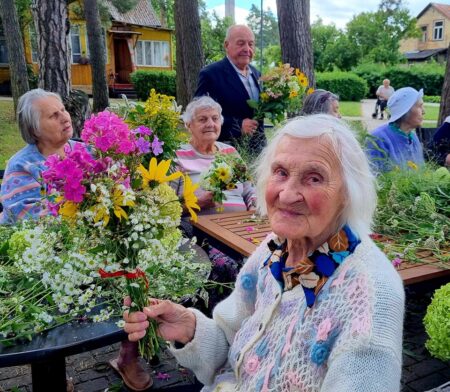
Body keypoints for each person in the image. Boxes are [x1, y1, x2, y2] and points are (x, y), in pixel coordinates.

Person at [123, 114, 405, 392]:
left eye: (314, 178)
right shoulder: (276, 246)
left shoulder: (371, 298)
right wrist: (189, 327)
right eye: (280, 172)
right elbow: (230, 341)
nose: (287, 194)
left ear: (348, 193)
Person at [111, 96, 256, 390]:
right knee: (229, 270)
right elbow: (166, 205)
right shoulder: (177, 157)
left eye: (215, 118)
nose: (210, 124)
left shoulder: (229, 152)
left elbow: (249, 189)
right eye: (202, 119)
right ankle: (217, 346)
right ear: (188, 124)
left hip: (241, 227)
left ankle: (252, 338)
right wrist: (194, 202)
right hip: (201, 232)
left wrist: (253, 205)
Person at [0, 89, 76, 224]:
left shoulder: (88, 150)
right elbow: (29, 219)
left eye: (63, 110)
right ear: (34, 130)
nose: (65, 118)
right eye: (53, 115)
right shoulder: (21, 166)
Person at [195, 25, 265, 155]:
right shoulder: (211, 74)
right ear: (226, 45)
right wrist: (238, 126)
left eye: (251, 44)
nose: (247, 49)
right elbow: (199, 114)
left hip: (259, 150)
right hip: (226, 150)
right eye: (241, 43)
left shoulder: (257, 74)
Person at [366, 87, 425, 173]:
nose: (423, 111)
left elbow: (421, 172)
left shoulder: (412, 136)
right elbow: (374, 177)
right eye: (420, 106)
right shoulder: (378, 138)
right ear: (406, 110)